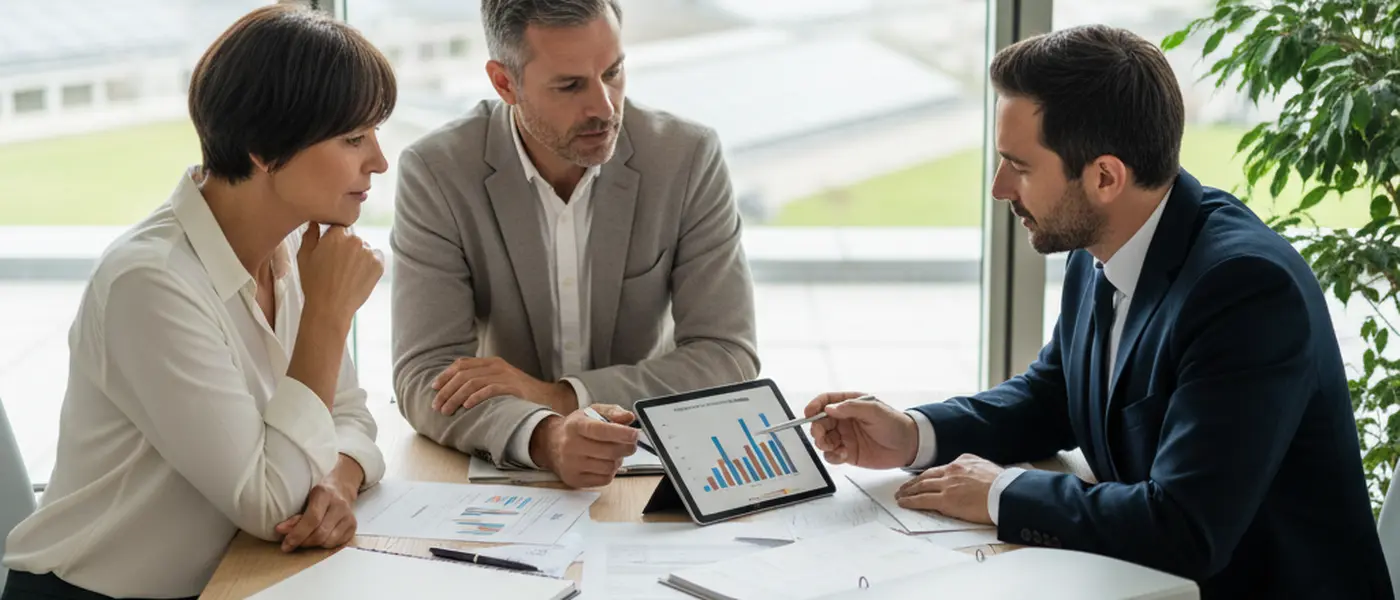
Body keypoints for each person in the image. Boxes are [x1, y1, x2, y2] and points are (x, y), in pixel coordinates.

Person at [805, 25, 1391, 598]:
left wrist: (1001, 492)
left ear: (1105, 176)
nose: (999, 188)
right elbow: (1055, 392)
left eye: (1021, 166)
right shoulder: (1104, 243)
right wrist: (914, 435)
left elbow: (1187, 528)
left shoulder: (1245, 291)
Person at [2, 6, 395, 599]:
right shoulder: (150, 283)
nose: (379, 161)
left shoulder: (294, 247)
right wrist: (328, 316)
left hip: (238, 578)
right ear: (264, 147)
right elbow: (267, 502)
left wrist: (338, 482)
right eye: (354, 138)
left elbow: (353, 419)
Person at [391, 0, 759, 488]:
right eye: (570, 85)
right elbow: (425, 375)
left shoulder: (686, 158)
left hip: (649, 462)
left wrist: (560, 397)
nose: (604, 108)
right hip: (507, 464)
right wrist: (545, 435)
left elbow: (728, 356)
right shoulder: (437, 171)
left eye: (613, 72)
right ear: (505, 83)